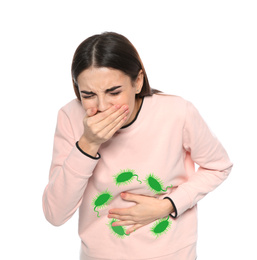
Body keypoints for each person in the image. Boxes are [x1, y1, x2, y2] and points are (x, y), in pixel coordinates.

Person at [42, 32, 233, 260]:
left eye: (114, 92)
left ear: (138, 81)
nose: (103, 106)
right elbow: (55, 214)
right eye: (89, 95)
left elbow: (219, 166)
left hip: (171, 252)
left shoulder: (177, 112)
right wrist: (88, 143)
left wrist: (169, 205)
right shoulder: (70, 116)